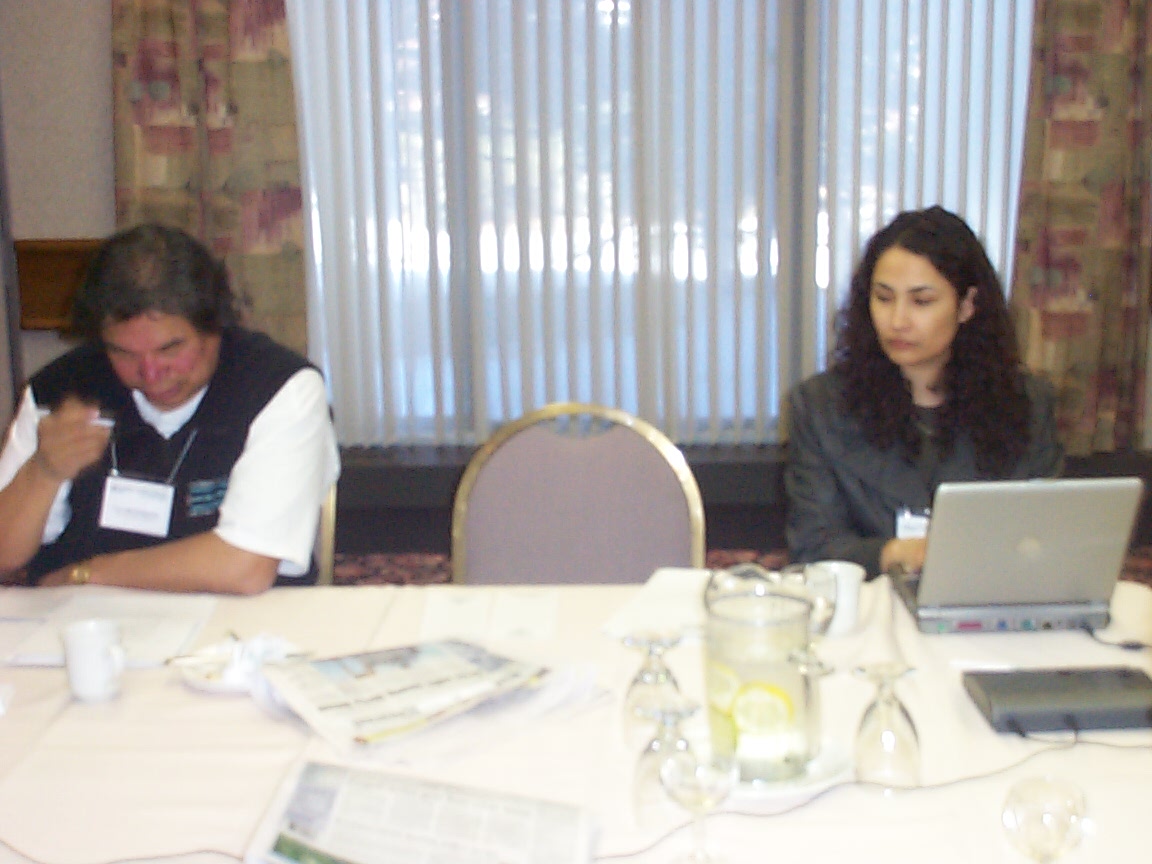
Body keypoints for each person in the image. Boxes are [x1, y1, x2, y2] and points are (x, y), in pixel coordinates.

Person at [0, 224, 339, 593]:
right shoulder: (61, 390)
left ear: (216, 327)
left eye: (170, 349)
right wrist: (43, 472)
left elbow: (244, 568)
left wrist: (88, 573)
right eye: (123, 353)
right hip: (85, 618)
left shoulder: (279, 387)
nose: (150, 374)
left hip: (235, 617)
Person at [785, 206, 1063, 578]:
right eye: (884, 298)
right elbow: (812, 547)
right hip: (870, 601)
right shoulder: (820, 406)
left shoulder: (1027, 406)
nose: (897, 321)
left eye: (921, 301)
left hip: (986, 595)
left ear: (966, 306)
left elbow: (1045, 538)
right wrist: (898, 553)